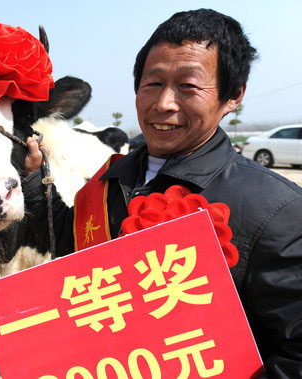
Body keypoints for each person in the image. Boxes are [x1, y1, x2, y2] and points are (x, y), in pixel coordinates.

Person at [24, 9, 302, 378]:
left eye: (188, 86)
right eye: (152, 84)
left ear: (233, 95)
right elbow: (69, 245)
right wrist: (30, 180)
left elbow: (294, 356)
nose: (164, 104)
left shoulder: (277, 209)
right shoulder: (109, 179)